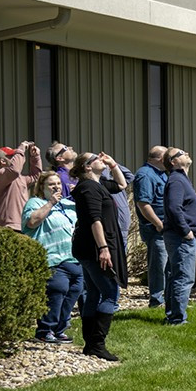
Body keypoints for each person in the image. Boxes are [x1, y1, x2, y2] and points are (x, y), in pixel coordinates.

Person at [70, 151, 126, 361]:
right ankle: (97, 344)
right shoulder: (89, 188)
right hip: (94, 247)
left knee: (93, 293)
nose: (101, 160)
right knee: (110, 292)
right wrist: (103, 248)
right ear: (87, 166)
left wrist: (113, 164)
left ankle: (90, 344)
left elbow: (121, 186)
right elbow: (95, 220)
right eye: (96, 159)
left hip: (90, 246)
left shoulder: (97, 184)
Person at [22, 172, 82, 343]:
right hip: (52, 258)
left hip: (74, 258)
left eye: (57, 183)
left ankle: (59, 329)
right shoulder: (35, 203)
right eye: (51, 184)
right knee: (57, 291)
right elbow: (32, 222)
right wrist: (50, 203)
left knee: (73, 292)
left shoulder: (68, 204)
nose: (56, 186)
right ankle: (44, 330)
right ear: (42, 187)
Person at [162, 148, 196, 324]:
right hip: (180, 238)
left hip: (179, 236)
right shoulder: (177, 180)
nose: (187, 153)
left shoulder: (180, 179)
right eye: (181, 153)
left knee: (175, 275)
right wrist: (186, 231)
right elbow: (173, 208)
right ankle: (177, 319)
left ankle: (173, 314)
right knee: (183, 277)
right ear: (173, 161)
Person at [132, 145, 168, 308]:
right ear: (160, 159)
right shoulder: (145, 175)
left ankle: (168, 299)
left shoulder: (161, 174)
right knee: (158, 265)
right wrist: (158, 224)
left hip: (165, 228)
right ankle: (157, 300)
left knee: (167, 265)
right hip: (156, 230)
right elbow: (143, 203)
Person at [0, 141, 43, 231]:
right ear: (2, 161)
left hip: (23, 225)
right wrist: (21, 150)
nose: (16, 158)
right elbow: (15, 170)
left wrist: (35, 157)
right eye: (12, 157)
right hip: (8, 226)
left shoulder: (20, 178)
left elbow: (36, 177)